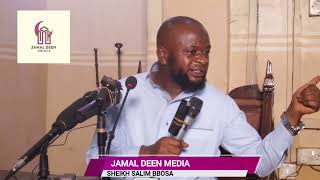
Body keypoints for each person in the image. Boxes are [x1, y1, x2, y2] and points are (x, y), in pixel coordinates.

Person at [86, 16, 320, 178]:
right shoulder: (122, 92)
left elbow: (261, 164)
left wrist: (293, 115)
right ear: (163, 55)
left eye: (206, 52)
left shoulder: (220, 105)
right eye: (191, 52)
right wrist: (144, 154)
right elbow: (94, 164)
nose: (203, 59)